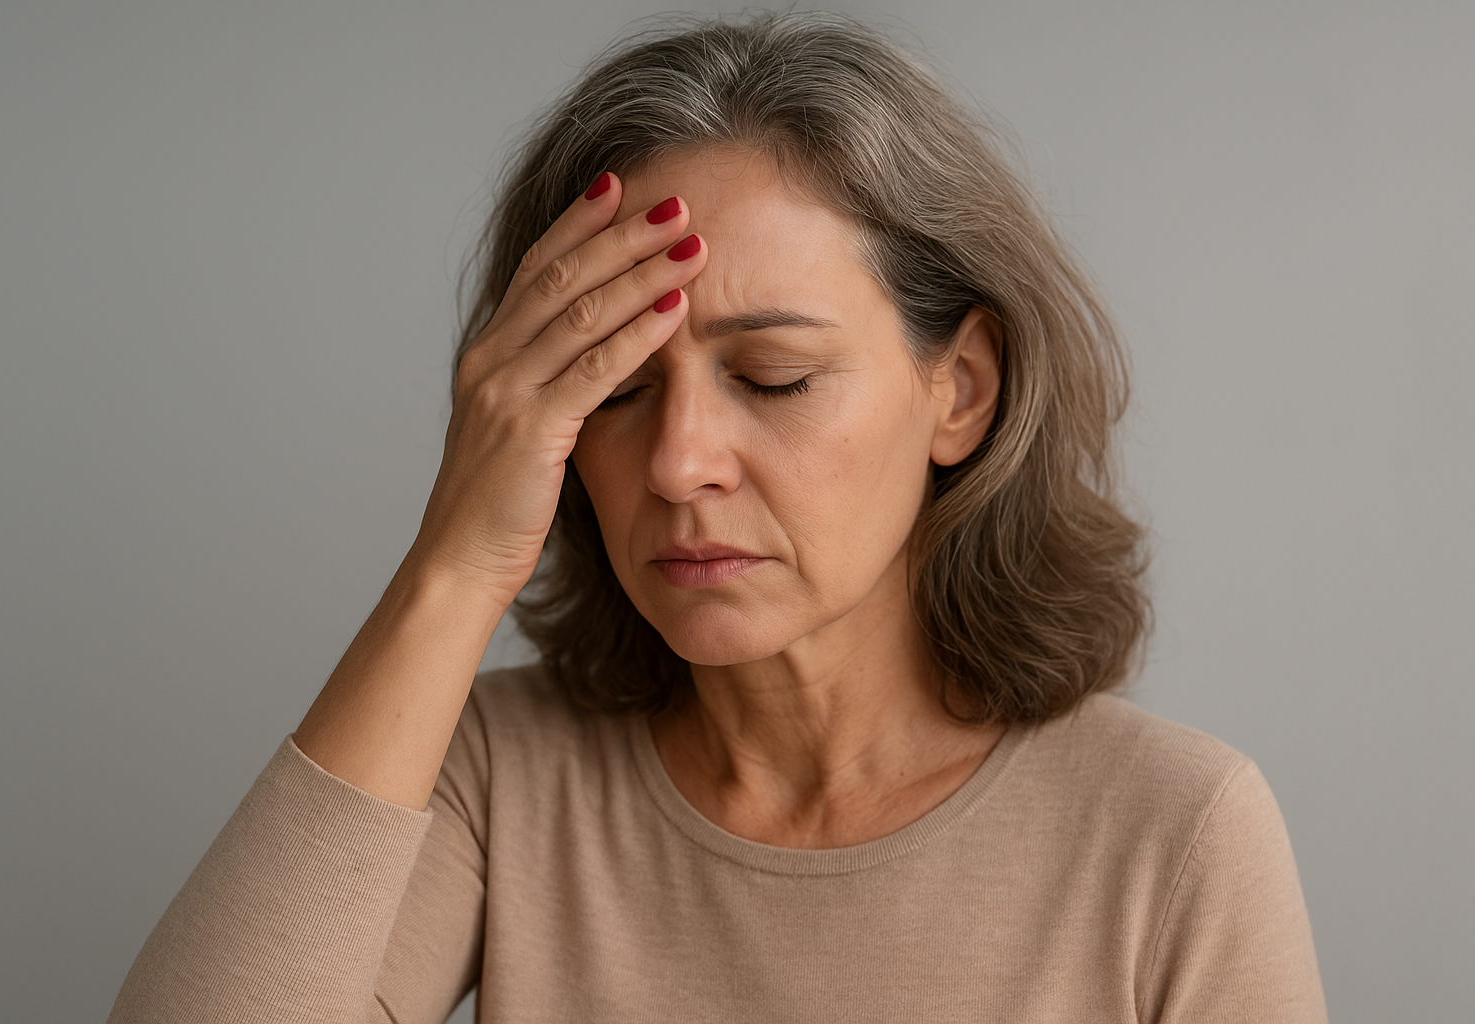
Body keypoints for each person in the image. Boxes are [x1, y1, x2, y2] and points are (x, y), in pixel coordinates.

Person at [108, 12, 1327, 1023]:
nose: (681, 461)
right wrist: (454, 561)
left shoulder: (1173, 834)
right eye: (618, 390)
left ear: (960, 388)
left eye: (774, 379)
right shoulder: (499, 774)